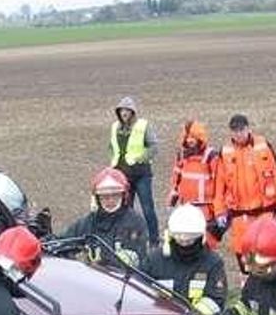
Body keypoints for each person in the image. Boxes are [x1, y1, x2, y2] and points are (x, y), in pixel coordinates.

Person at [212, 114, 276, 271]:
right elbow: (219, 186)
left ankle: (271, 283)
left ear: (248, 129)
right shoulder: (225, 152)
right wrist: (219, 211)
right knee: (242, 251)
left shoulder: (263, 146)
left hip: (265, 212)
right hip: (240, 215)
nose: (238, 134)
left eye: (241, 130)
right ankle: (247, 287)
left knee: (267, 248)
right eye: (235, 131)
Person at [141, 204, 227, 315]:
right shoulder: (154, 260)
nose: (184, 243)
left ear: (201, 237)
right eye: (179, 239)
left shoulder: (212, 263)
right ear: (170, 236)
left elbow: (216, 300)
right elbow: (137, 292)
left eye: (190, 240)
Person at [58, 167, 148, 268]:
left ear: (124, 196)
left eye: (115, 195)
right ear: (97, 199)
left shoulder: (135, 222)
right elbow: (64, 241)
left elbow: (138, 260)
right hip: (92, 279)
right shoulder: (90, 221)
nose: (110, 201)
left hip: (121, 280)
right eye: (104, 197)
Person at [109, 96, 160, 247]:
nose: (124, 113)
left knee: (147, 208)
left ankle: (154, 239)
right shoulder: (114, 127)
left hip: (141, 174)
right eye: (122, 110)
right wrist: (113, 161)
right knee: (125, 209)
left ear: (132, 112)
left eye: (127, 110)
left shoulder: (143, 126)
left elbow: (154, 146)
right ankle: (126, 238)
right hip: (122, 175)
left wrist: (141, 158)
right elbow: (111, 146)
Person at [167, 120, 222, 249]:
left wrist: (218, 210)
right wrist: (172, 198)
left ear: (199, 138)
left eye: (193, 137)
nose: (190, 140)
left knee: (206, 244)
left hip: (205, 209)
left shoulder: (211, 156)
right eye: (187, 137)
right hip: (186, 206)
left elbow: (219, 182)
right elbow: (176, 176)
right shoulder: (181, 155)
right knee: (186, 241)